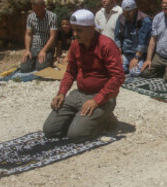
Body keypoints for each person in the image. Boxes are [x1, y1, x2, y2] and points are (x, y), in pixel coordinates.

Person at [43, 9, 125, 142]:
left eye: (79, 30)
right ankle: (83, 118)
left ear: (92, 28)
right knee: (50, 130)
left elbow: (118, 77)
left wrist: (97, 100)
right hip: (80, 93)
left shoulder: (106, 45)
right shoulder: (76, 45)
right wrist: (62, 93)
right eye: (73, 30)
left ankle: (105, 119)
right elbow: (70, 71)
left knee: (76, 135)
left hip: (102, 96)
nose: (75, 34)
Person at [114, 0, 151, 76]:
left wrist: (136, 58)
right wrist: (119, 54)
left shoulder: (144, 20)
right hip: (125, 53)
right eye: (124, 13)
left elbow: (143, 42)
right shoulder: (121, 18)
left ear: (135, 10)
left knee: (134, 72)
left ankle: (131, 66)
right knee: (115, 69)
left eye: (129, 13)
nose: (126, 15)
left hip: (139, 54)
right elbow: (117, 37)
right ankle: (126, 66)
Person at [20, 0, 58, 73]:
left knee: (41, 68)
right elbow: (28, 34)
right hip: (34, 47)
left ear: (44, 6)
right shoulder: (31, 17)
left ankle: (44, 61)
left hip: (47, 48)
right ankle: (35, 61)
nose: (37, 12)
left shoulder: (52, 17)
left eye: (38, 10)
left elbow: (53, 36)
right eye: (35, 10)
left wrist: (44, 50)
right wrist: (27, 50)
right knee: (24, 69)